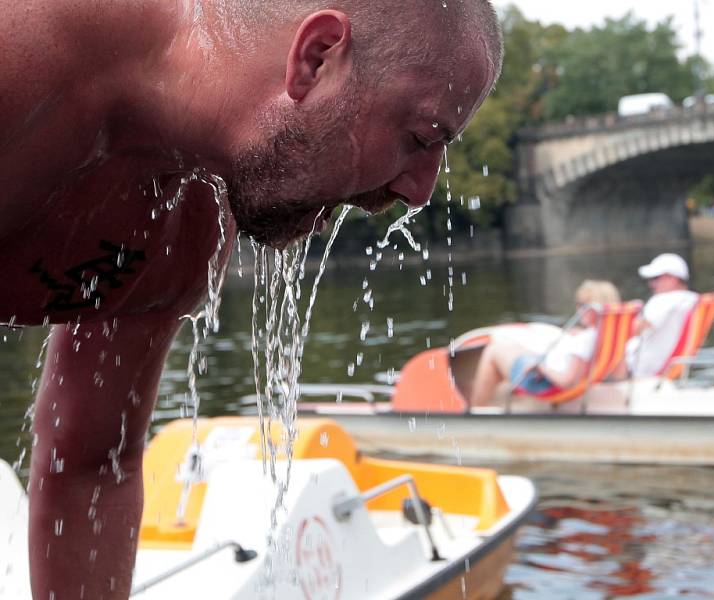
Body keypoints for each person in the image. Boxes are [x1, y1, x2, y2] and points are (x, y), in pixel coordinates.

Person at [0, 2, 503, 597]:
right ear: (316, 58)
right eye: (421, 137)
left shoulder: (191, 223)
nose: (420, 192)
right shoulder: (24, 59)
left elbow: (90, 469)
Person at [470, 280, 621, 407]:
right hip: (551, 372)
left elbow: (567, 382)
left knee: (493, 351)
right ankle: (492, 397)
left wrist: (541, 368)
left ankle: (474, 411)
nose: (578, 309)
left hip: (543, 383)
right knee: (514, 347)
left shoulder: (584, 342)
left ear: (594, 308)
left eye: (582, 305)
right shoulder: (605, 335)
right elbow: (618, 373)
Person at [623, 253, 699, 378]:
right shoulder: (693, 300)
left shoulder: (662, 300)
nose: (652, 284)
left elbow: (633, 329)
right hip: (674, 365)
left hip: (644, 369)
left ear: (672, 279)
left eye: (656, 278)